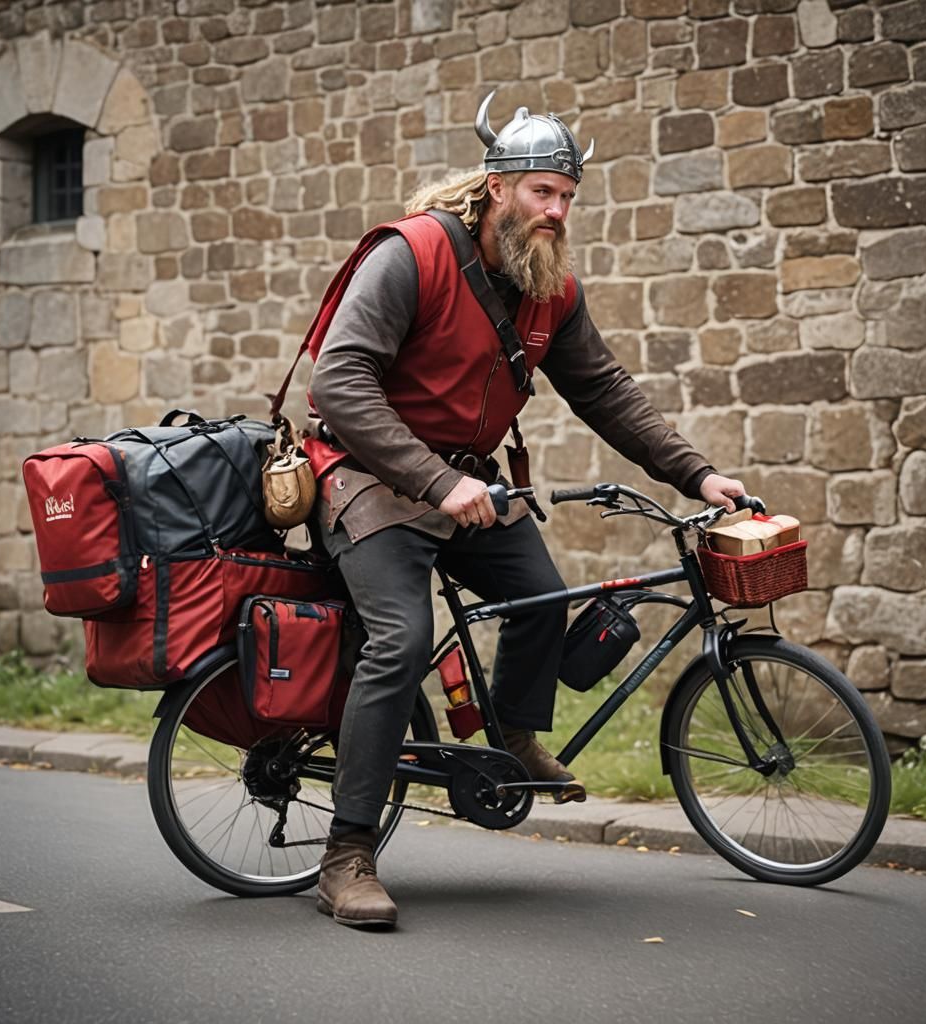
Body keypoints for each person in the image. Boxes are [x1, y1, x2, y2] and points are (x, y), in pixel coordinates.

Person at [305, 91, 744, 929]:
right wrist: (437, 483)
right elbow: (340, 383)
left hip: (469, 487)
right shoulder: (414, 254)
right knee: (398, 640)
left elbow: (605, 391)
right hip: (368, 480)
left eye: (568, 197)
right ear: (499, 186)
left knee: (543, 599)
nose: (557, 211)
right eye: (543, 193)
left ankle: (509, 739)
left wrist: (699, 475)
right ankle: (347, 854)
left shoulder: (551, 288)